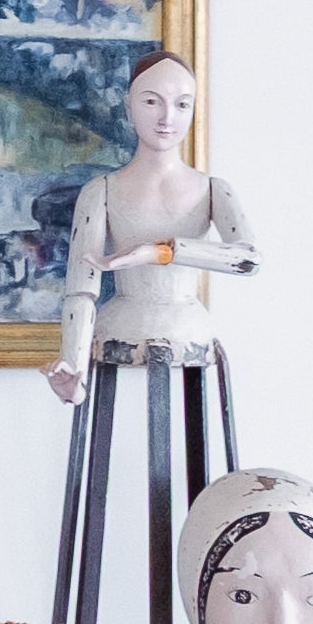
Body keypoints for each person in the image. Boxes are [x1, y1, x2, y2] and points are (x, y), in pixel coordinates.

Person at [48, 49, 248, 407]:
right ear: (129, 107)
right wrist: (74, 373)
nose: (167, 118)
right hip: (120, 328)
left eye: (182, 104)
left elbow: (247, 258)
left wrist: (163, 252)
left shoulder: (214, 189)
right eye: (152, 102)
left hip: (190, 330)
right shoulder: (101, 191)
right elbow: (82, 289)